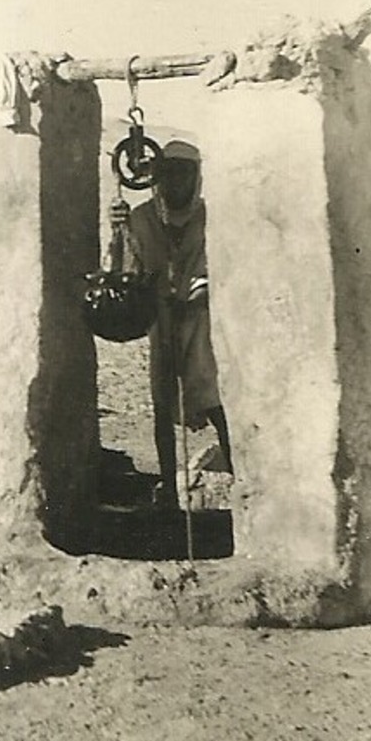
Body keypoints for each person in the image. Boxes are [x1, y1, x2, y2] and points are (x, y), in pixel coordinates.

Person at [111, 140, 233, 509]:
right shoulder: (143, 218)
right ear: (157, 178)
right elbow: (125, 274)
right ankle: (168, 486)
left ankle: (243, 476)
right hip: (162, 322)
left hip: (203, 322)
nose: (176, 183)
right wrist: (117, 232)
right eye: (169, 174)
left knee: (214, 398)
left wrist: (206, 285)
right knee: (163, 403)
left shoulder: (212, 218)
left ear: (196, 178)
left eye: (185, 174)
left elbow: (226, 265)